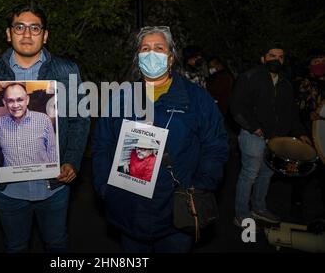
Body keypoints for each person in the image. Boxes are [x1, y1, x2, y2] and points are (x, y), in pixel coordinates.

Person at [0, 2, 89, 253]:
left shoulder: (66, 70)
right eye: (19, 27)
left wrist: (72, 161)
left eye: (35, 28)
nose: (27, 34)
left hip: (54, 186)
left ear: (45, 35)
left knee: (57, 243)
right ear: (9, 34)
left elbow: (80, 120)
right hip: (9, 189)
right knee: (16, 246)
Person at [92, 26, 228, 253]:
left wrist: (201, 186)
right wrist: (105, 187)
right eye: (145, 49)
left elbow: (215, 146)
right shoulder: (122, 97)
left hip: (175, 213)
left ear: (171, 57)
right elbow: (102, 143)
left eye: (159, 48)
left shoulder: (196, 99)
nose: (151, 54)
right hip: (129, 209)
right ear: (138, 58)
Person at [230, 42, 311, 227]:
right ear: (263, 58)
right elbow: (236, 107)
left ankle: (259, 208)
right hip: (254, 136)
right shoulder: (249, 77)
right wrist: (254, 127)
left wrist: (300, 133)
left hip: (275, 140)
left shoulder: (286, 84)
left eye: (280, 57)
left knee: (266, 174)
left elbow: (291, 113)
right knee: (249, 175)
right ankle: (241, 214)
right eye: (272, 55)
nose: (277, 60)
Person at [291, 50, 325, 220]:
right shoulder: (303, 83)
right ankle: (296, 206)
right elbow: (294, 109)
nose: (321, 64)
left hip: (323, 134)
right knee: (303, 171)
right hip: (307, 133)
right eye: (317, 61)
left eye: (323, 60)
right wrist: (308, 115)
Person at [0, 83, 57, 166]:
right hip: (12, 178)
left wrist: (52, 173)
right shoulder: (0, 123)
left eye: (20, 99)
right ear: (4, 102)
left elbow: (52, 149)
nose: (15, 105)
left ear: (27, 100)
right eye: (10, 101)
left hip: (40, 177)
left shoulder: (44, 120)